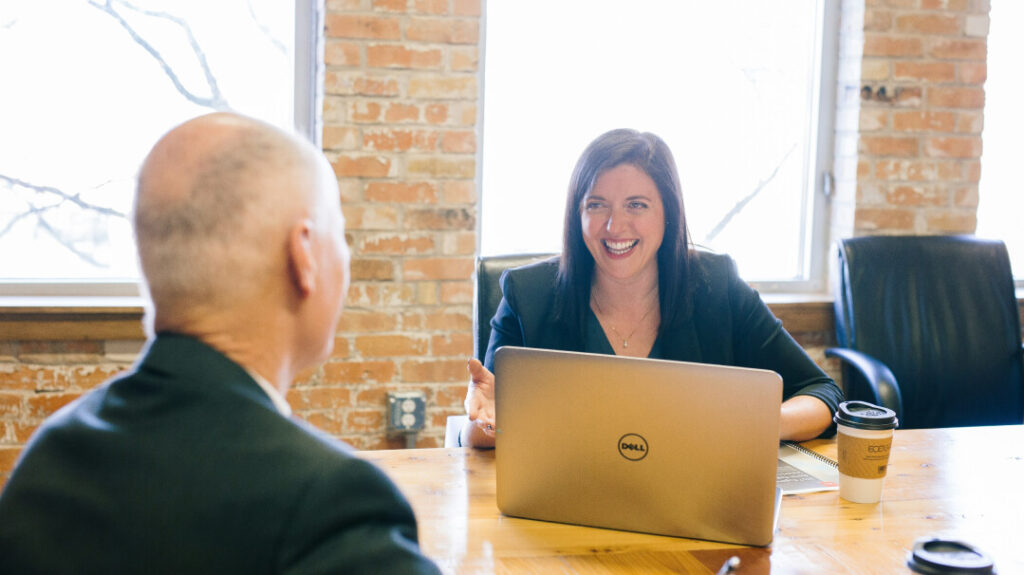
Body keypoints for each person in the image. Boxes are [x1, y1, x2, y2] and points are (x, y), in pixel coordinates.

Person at [0, 113, 440, 574]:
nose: (346, 256)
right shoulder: (327, 502)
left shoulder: (51, 452)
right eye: (341, 234)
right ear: (304, 255)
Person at [461, 129, 842, 448]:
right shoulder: (528, 295)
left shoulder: (717, 286)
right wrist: (487, 421)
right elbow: (479, 430)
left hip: (695, 506)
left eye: (636, 205)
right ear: (577, 215)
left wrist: (756, 425)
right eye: (596, 205)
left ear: (668, 213)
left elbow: (822, 391)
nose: (614, 226)